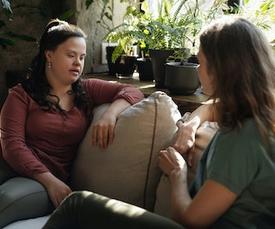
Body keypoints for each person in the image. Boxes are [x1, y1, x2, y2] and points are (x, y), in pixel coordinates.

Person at [42, 16, 275, 228]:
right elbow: (216, 107)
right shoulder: (256, 115)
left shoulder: (240, 139)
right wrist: (191, 125)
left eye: (201, 62)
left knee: (77, 203)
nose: (198, 70)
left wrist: (177, 172)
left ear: (221, 69)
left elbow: (192, 218)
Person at [0, 18, 144, 210]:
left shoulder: (85, 89)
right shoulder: (21, 95)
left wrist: (110, 114)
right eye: (71, 55)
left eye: (82, 57)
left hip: (46, 183)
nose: (78, 63)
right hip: (14, 171)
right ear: (49, 55)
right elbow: (12, 146)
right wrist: (50, 181)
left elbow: (133, 91)